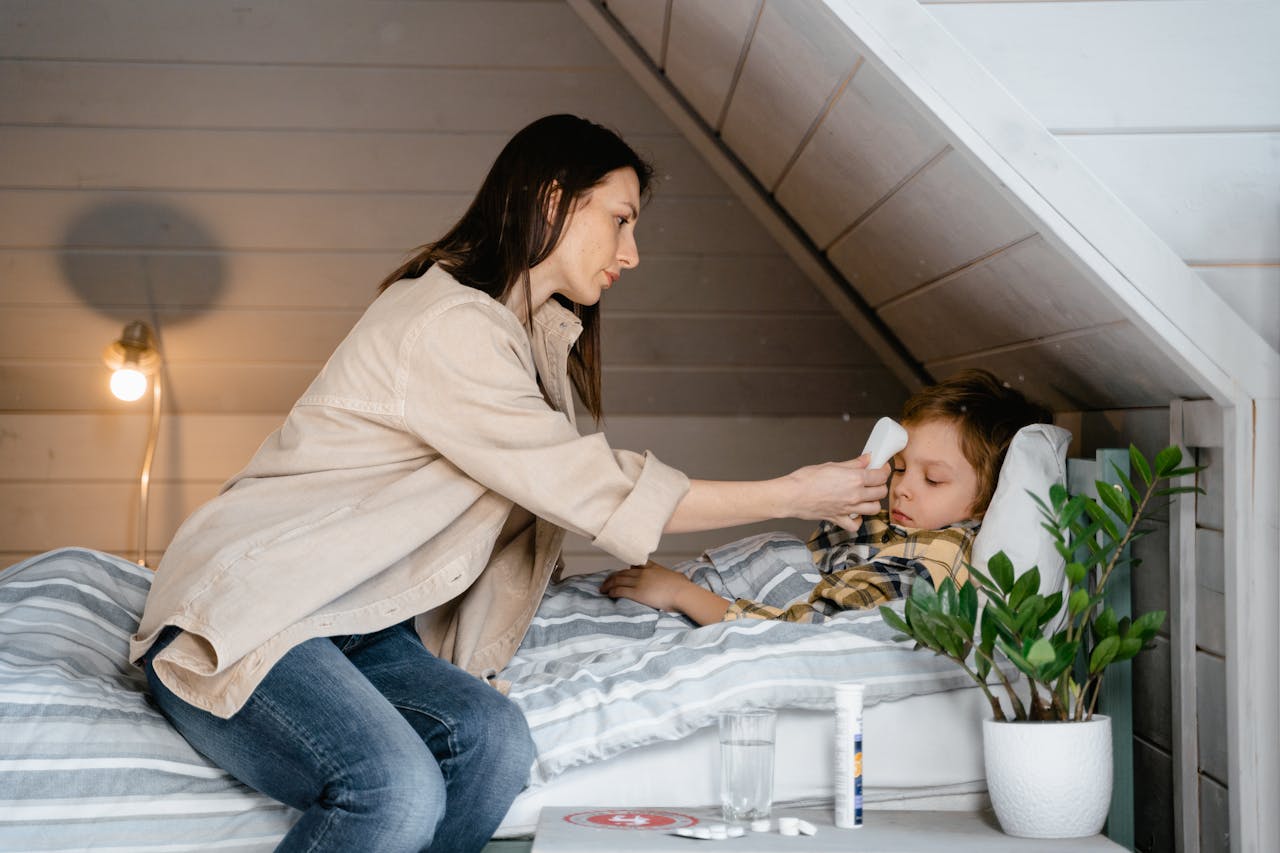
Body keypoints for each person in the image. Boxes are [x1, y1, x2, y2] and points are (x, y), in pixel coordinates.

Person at [128, 114, 890, 853]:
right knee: (396, 788)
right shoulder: (450, 324)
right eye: (622, 220)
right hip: (259, 609)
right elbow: (594, 486)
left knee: (492, 742)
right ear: (555, 200)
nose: (633, 252)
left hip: (359, 619)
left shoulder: (526, 336)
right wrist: (794, 494)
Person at [601, 369, 1052, 625]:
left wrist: (681, 594)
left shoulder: (932, 559)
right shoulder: (887, 523)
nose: (904, 486)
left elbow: (806, 632)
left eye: (933, 480)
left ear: (984, 501)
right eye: (899, 467)